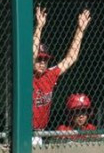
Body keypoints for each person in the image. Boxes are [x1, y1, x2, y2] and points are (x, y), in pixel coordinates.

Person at [32, 8, 91, 136]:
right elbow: (32, 54)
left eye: (45, 60)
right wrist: (39, 27)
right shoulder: (27, 76)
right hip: (27, 130)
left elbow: (71, 58)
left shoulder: (49, 74)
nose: (42, 62)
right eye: (39, 59)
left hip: (41, 131)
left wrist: (80, 30)